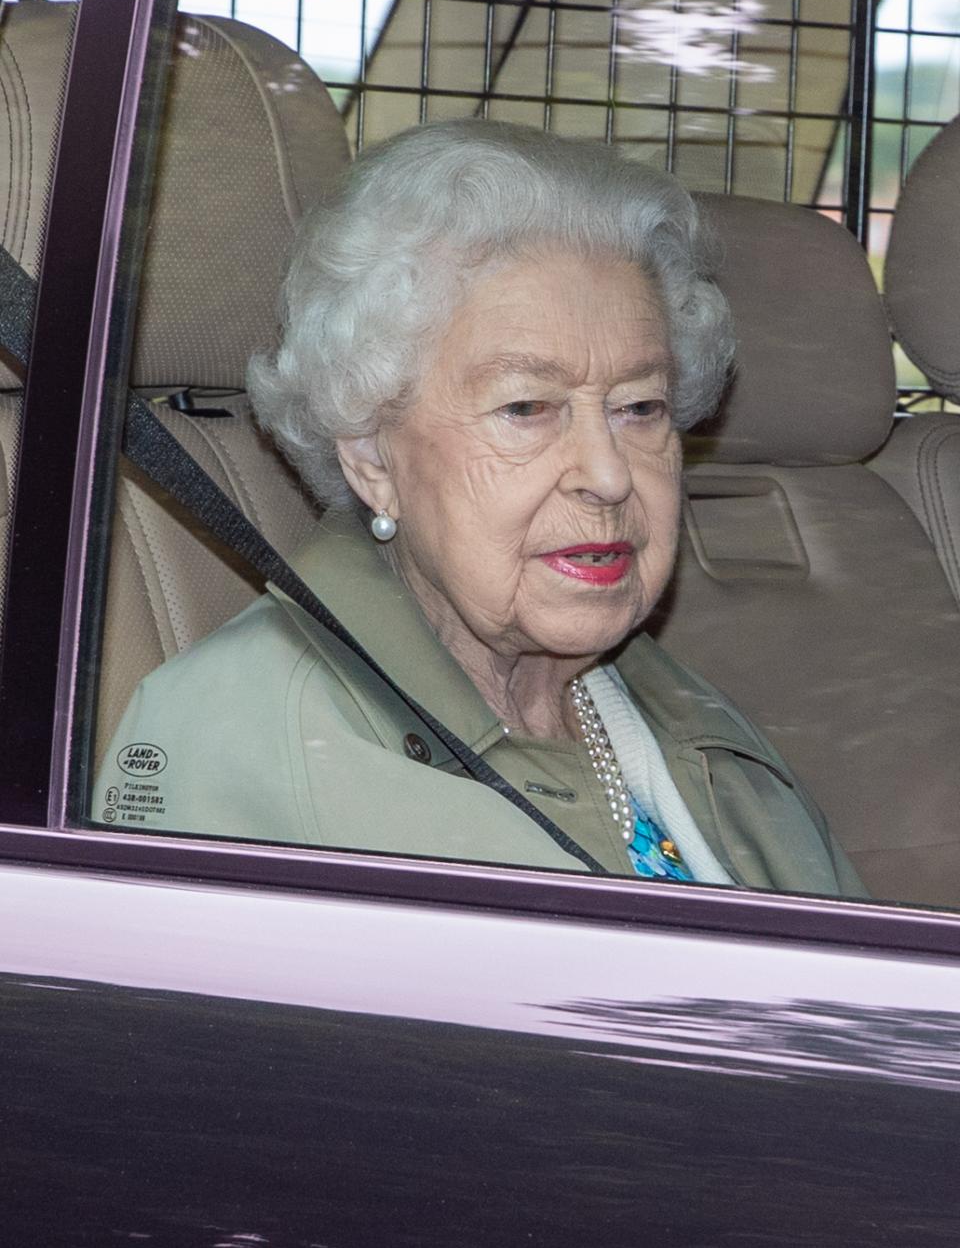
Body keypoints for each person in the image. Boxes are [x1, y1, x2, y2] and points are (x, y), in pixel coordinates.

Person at [96, 121, 862, 895]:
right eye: (527, 407)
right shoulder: (240, 743)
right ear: (371, 457)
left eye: (640, 407)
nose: (607, 474)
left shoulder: (695, 728)